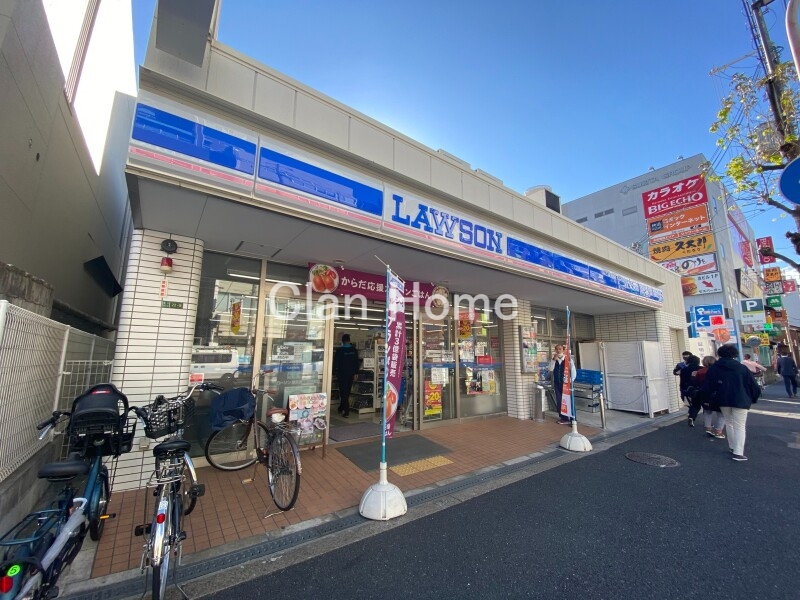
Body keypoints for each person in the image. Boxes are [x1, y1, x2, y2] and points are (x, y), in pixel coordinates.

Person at [700, 344, 761, 461]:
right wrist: (752, 398)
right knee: (740, 425)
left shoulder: (714, 368)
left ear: (719, 354)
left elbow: (708, 386)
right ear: (734, 354)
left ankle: (732, 447)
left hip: (723, 399)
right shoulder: (741, 368)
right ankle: (738, 452)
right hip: (741, 399)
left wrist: (706, 398)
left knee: (729, 423)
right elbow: (753, 386)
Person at [689, 355, 726, 437]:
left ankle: (708, 428)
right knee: (720, 413)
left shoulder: (700, 371)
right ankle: (718, 431)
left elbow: (695, 382)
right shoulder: (718, 371)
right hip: (717, 393)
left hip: (704, 393)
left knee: (707, 411)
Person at [333, 333, 359, 418]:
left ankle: (346, 411)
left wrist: (334, 373)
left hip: (342, 374)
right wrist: (356, 373)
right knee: (347, 391)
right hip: (351, 374)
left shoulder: (339, 351)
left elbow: (336, 363)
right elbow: (356, 363)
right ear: (349, 340)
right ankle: (341, 407)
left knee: (343, 391)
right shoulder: (354, 350)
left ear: (342, 341)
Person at [549, 344, 576, 424]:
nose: (558, 350)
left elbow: (573, 372)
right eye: (556, 349)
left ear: (563, 350)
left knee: (569, 401)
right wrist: (553, 360)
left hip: (567, 384)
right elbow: (550, 369)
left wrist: (570, 381)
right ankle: (563, 418)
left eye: (560, 349)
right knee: (559, 400)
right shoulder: (554, 360)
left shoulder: (568, 359)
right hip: (557, 383)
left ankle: (572, 419)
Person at [680, 354, 701, 426]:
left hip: (686, 389)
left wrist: (682, 389)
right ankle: (691, 417)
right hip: (697, 389)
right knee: (697, 405)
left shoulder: (683, 370)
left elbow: (682, 381)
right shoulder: (701, 369)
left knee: (690, 404)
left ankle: (691, 415)